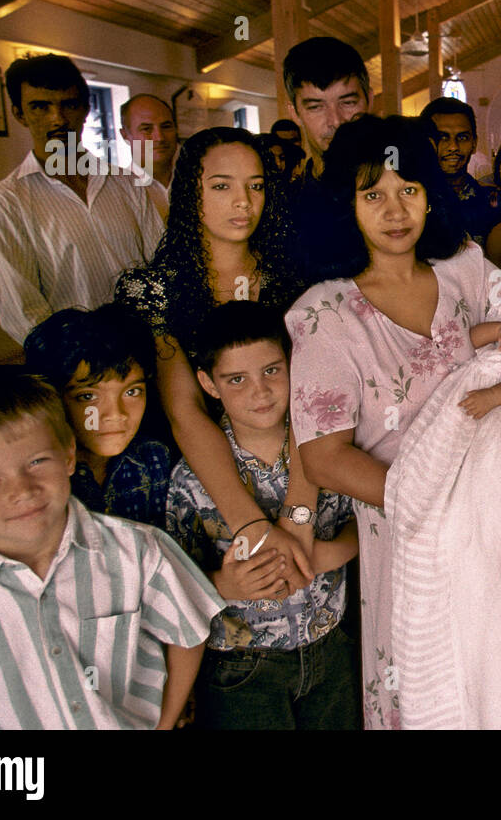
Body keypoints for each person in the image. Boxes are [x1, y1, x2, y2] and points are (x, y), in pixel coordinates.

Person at [285, 113, 501, 729]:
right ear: (345, 206)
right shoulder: (325, 313)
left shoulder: (463, 268)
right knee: (422, 683)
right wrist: (431, 503)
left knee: (491, 674)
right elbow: (323, 455)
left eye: (408, 189)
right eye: (372, 194)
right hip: (406, 529)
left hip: (491, 515)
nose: (395, 209)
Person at [0, 368, 224, 728]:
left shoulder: (139, 550)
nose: (21, 490)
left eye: (36, 461)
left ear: (69, 454)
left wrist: (166, 721)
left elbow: (188, 632)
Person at [116, 127, 316, 614]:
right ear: (191, 192)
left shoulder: (297, 281)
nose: (243, 201)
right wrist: (250, 524)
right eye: (221, 185)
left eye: (257, 184)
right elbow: (184, 411)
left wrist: (298, 514)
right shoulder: (152, 290)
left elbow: (314, 400)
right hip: (199, 483)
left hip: (299, 468)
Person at [167, 301, 361, 729]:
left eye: (272, 370)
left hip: (331, 647)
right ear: (208, 384)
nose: (260, 391)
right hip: (241, 667)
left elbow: (365, 521)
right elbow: (171, 582)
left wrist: (336, 552)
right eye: (237, 379)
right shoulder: (192, 478)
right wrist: (222, 584)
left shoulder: (329, 447)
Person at [387, 284, 501, 728]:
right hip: (463, 392)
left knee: (497, 471)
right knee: (438, 461)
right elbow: (468, 339)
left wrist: (493, 397)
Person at [0, 54, 163, 344]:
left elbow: (161, 265)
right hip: (77, 366)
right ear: (19, 113)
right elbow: (22, 311)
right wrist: (82, 364)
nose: (57, 119)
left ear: (86, 109)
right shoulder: (8, 202)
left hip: (148, 346)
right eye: (40, 106)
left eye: (69, 104)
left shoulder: (128, 183)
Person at [23, 303, 171, 528]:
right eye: (88, 397)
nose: (116, 414)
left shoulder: (153, 459)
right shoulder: (33, 479)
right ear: (53, 398)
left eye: (132, 392)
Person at [419, 97, 501, 266]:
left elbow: (495, 271)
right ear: (425, 143)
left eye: (462, 138)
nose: (453, 147)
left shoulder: (492, 200)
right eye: (443, 138)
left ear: (474, 143)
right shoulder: (412, 199)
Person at [283, 37, 371, 178]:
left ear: (370, 100)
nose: (335, 121)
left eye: (348, 103)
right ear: (295, 113)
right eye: (316, 107)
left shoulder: (408, 186)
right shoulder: (289, 199)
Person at [119, 93, 178, 221]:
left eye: (166, 127)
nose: (159, 137)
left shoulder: (198, 183)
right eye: (146, 129)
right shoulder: (118, 192)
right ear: (125, 135)